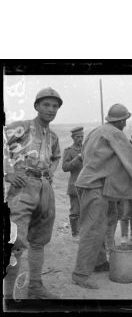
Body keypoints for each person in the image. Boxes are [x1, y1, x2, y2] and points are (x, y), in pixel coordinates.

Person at [71, 104, 132, 289]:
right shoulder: (115, 133)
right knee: (92, 230)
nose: (125, 123)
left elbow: (85, 155)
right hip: (95, 187)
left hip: (90, 184)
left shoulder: (96, 131)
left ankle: (98, 263)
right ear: (122, 120)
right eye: (125, 120)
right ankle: (80, 274)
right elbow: (131, 161)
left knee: (101, 225)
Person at [4, 87, 63, 299]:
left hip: (44, 186)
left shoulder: (53, 136)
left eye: (55, 106)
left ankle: (35, 286)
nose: (51, 109)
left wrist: (50, 173)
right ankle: (8, 296)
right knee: (16, 242)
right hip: (23, 185)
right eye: (46, 104)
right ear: (36, 106)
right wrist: (8, 171)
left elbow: (56, 157)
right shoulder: (22, 127)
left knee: (39, 239)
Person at [62, 126, 84, 240]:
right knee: (75, 211)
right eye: (78, 137)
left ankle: (84, 233)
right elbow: (65, 167)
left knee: (87, 210)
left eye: (82, 136)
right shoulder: (69, 151)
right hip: (75, 185)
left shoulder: (87, 149)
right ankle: (75, 234)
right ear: (73, 138)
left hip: (87, 185)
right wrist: (77, 159)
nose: (80, 139)